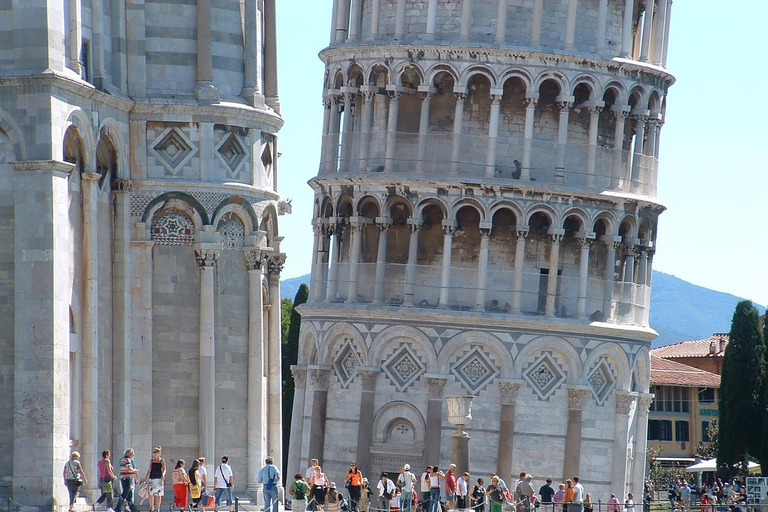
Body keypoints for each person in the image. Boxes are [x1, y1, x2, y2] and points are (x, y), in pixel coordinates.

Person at [143, 446, 166, 512]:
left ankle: (158, 509)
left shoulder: (162, 460)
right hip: (152, 478)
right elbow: (149, 469)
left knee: (159, 494)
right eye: (154, 452)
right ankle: (151, 508)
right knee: (151, 494)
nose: (155, 454)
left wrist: (163, 475)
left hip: (159, 478)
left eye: (156, 452)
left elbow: (164, 469)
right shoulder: (151, 460)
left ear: (159, 453)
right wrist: (146, 477)